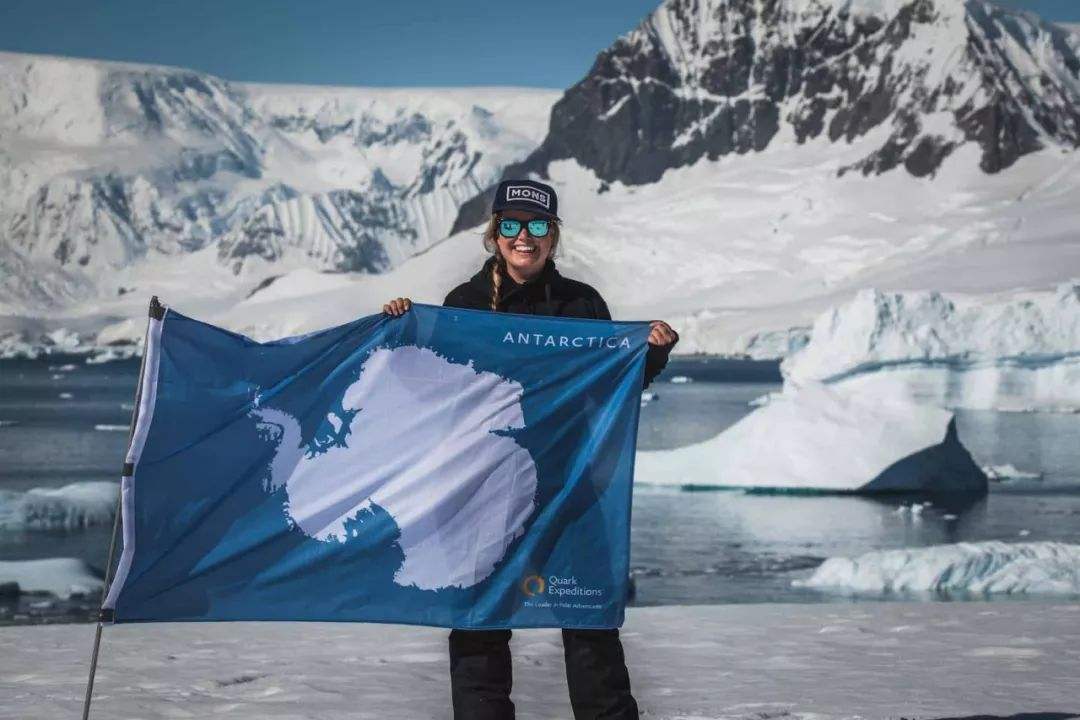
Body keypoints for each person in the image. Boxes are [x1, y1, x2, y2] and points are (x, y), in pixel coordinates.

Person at [382, 178, 678, 720]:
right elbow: (430, 383)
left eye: (538, 226)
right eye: (512, 226)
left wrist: (651, 355)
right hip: (483, 491)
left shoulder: (584, 305)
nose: (525, 237)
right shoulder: (462, 306)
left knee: (589, 626)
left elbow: (612, 383)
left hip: (570, 492)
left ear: (553, 235)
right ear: (495, 235)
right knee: (480, 630)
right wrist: (404, 329)